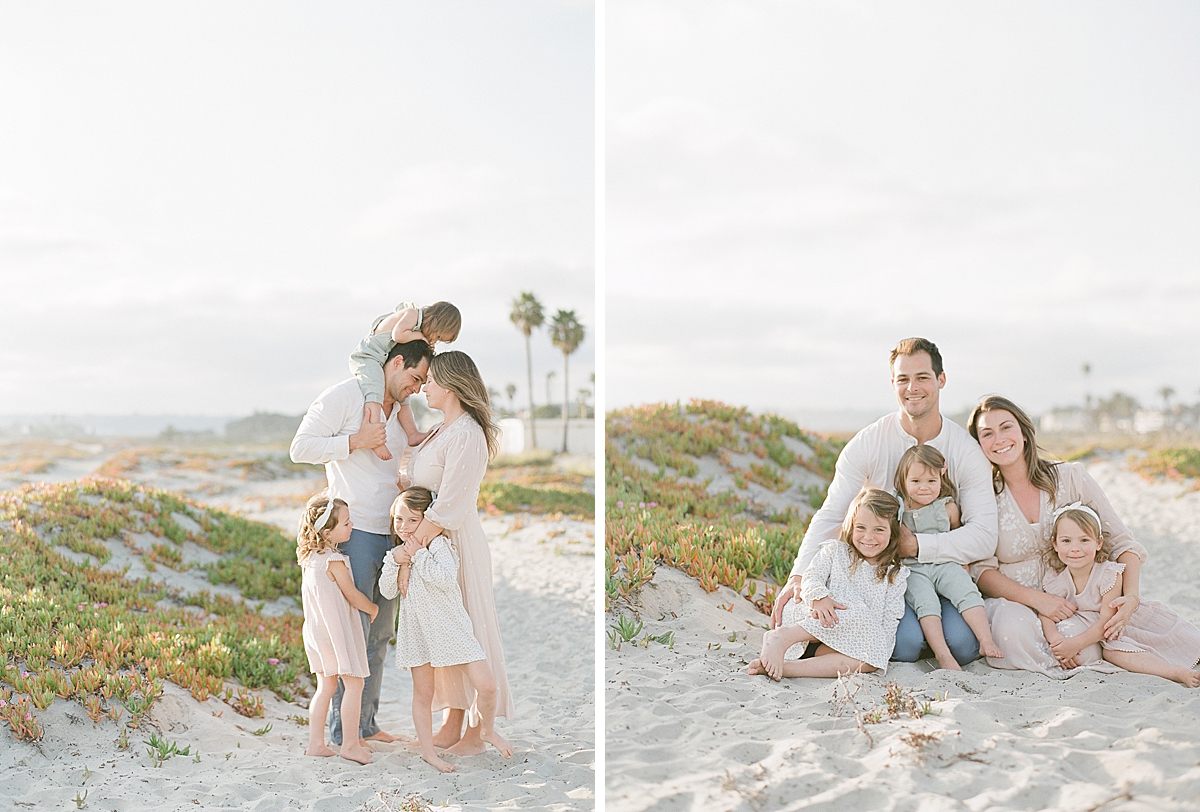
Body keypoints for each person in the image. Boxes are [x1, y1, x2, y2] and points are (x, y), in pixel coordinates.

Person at [771, 338, 997, 666]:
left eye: (922, 377)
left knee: (963, 646)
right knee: (904, 647)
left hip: (940, 567)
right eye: (903, 379)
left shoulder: (965, 451)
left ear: (941, 380)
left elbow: (984, 534)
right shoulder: (869, 441)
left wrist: (917, 545)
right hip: (884, 575)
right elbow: (832, 512)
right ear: (893, 384)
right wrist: (797, 575)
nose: (912, 387)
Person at [290, 338, 433, 747]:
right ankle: (343, 733)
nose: (418, 388)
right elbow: (300, 447)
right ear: (397, 362)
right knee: (352, 636)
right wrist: (354, 441)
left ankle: (365, 725)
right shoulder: (345, 396)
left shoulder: (402, 408)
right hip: (353, 534)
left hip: (392, 533)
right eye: (415, 377)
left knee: (381, 632)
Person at [967, 395, 1148, 678]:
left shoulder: (1070, 477)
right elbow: (981, 572)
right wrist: (1039, 600)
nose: (999, 439)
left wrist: (1133, 597)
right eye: (987, 433)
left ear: (1024, 433)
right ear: (979, 445)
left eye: (1006, 427)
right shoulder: (982, 496)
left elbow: (1122, 542)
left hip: (1078, 602)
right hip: (1015, 602)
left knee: (1085, 648)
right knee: (1011, 633)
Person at [404, 350, 514, 755]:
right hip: (433, 544)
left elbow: (448, 504)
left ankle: (474, 732)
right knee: (443, 631)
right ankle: (452, 720)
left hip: (454, 543)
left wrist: (412, 547)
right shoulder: (441, 429)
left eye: (430, 380)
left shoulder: (467, 433)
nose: (424, 386)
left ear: (450, 385)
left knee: (465, 626)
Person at [379, 487, 513, 772]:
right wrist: (396, 561)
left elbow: (444, 578)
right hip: (418, 634)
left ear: (427, 520)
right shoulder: (397, 553)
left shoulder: (438, 545)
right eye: (399, 520)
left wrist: (417, 554)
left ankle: (486, 730)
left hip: (452, 630)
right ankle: (429, 752)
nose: (404, 527)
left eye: (413, 521)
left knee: (487, 685)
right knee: (422, 694)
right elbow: (387, 590)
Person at [749, 489, 909, 680]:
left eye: (879, 529)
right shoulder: (835, 551)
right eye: (861, 528)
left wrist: (880, 648)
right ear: (851, 527)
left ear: (892, 533)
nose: (868, 537)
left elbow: (891, 616)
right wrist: (819, 598)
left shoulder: (895, 574)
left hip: (846, 640)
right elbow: (811, 577)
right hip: (813, 620)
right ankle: (782, 637)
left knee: (869, 661)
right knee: (851, 609)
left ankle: (787, 668)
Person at [1041, 503, 1200, 687]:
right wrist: (1056, 640)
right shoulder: (1056, 579)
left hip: (1128, 623)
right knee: (1113, 653)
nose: (1075, 548)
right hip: (1113, 638)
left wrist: (1074, 644)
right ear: (1055, 544)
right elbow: (1046, 613)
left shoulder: (1109, 574)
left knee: (1187, 642)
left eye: (1084, 540)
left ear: (1098, 543)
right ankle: (1176, 672)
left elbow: (1107, 622)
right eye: (1066, 541)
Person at [893, 444, 1004, 670]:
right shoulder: (899, 507)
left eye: (931, 481)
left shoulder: (948, 507)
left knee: (966, 590)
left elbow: (957, 535)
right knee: (926, 602)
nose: (924, 488)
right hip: (914, 568)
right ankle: (942, 654)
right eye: (916, 482)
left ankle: (985, 640)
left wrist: (962, 562)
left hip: (945, 562)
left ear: (941, 479)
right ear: (903, 480)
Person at [297, 493, 379, 764]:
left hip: (316, 633)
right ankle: (351, 744)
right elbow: (352, 594)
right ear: (327, 531)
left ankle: (315, 744)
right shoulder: (335, 561)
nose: (351, 526)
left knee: (325, 686)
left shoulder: (310, 559)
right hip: (336, 633)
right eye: (345, 523)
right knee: (354, 684)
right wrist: (372, 608)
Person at [351, 301, 462, 460]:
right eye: (437, 336)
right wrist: (422, 338)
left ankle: (412, 434)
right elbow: (398, 335)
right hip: (368, 358)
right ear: (435, 319)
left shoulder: (415, 326)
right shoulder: (413, 314)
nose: (433, 341)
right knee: (375, 393)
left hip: (380, 359)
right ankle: (375, 437)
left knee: (403, 396)